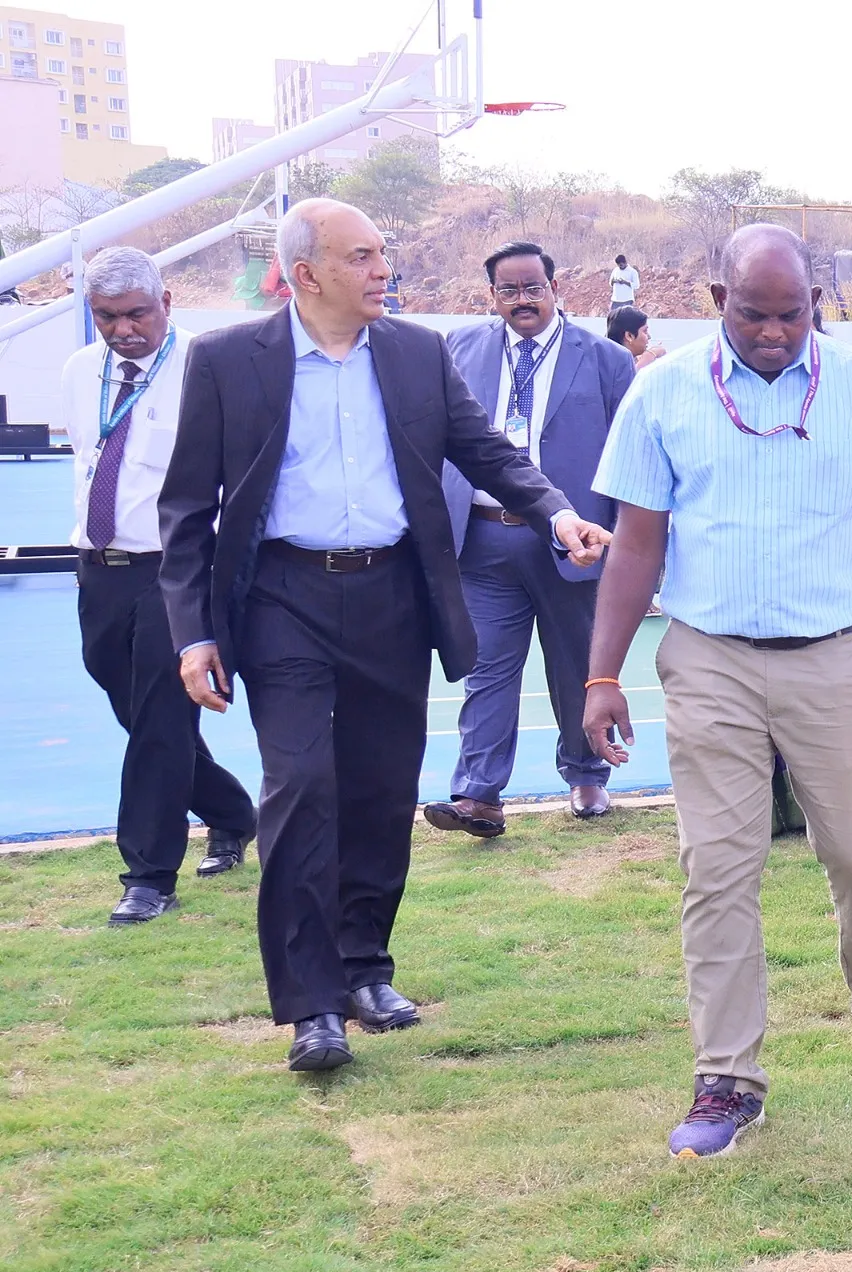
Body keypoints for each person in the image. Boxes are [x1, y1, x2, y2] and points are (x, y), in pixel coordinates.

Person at [160, 199, 609, 1074]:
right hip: (281, 597)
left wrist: (556, 514)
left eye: (382, 253)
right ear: (306, 275)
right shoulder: (226, 361)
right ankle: (310, 1005)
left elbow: (486, 452)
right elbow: (186, 510)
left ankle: (365, 969)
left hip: (394, 598)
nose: (381, 270)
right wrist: (193, 635)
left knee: (378, 791)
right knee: (299, 786)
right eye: (361, 256)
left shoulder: (416, 352)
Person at [583, 224, 852, 1158]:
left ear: (816, 304)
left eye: (794, 314)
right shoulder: (662, 393)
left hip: (837, 654)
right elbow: (636, 543)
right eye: (755, 314)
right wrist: (602, 673)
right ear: (717, 301)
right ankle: (727, 1077)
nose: (776, 333)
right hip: (710, 658)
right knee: (717, 866)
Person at [62, 246, 257, 925]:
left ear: (166, 302)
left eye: (136, 314)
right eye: (106, 316)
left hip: (176, 573)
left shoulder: (207, 370)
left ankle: (149, 875)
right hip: (99, 570)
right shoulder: (80, 371)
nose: (123, 330)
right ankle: (234, 814)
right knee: (139, 714)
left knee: (158, 722)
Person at [420, 242, 635, 839]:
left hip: (574, 541)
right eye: (508, 290)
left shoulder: (604, 360)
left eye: (532, 287)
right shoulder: (458, 349)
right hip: (483, 540)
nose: (522, 300)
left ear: (554, 287)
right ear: (492, 296)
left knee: (577, 665)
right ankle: (478, 795)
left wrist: (620, 543)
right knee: (485, 667)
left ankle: (587, 775)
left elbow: (627, 460)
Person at [607, 305, 665, 369]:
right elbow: (628, 378)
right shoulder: (608, 365)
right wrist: (648, 357)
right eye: (645, 331)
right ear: (629, 336)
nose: (649, 337)